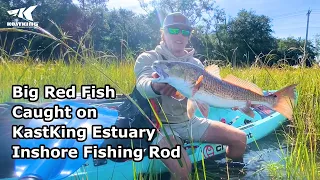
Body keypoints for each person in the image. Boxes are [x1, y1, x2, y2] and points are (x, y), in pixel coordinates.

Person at [134, 12, 247, 180]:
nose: (180, 35)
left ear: (188, 37)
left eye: (185, 31)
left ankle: (229, 174)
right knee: (183, 169)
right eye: (173, 30)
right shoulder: (150, 58)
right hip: (160, 127)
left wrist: (233, 101)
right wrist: (155, 86)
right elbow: (142, 84)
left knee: (240, 139)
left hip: (190, 121)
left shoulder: (196, 64)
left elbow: (207, 95)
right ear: (163, 33)